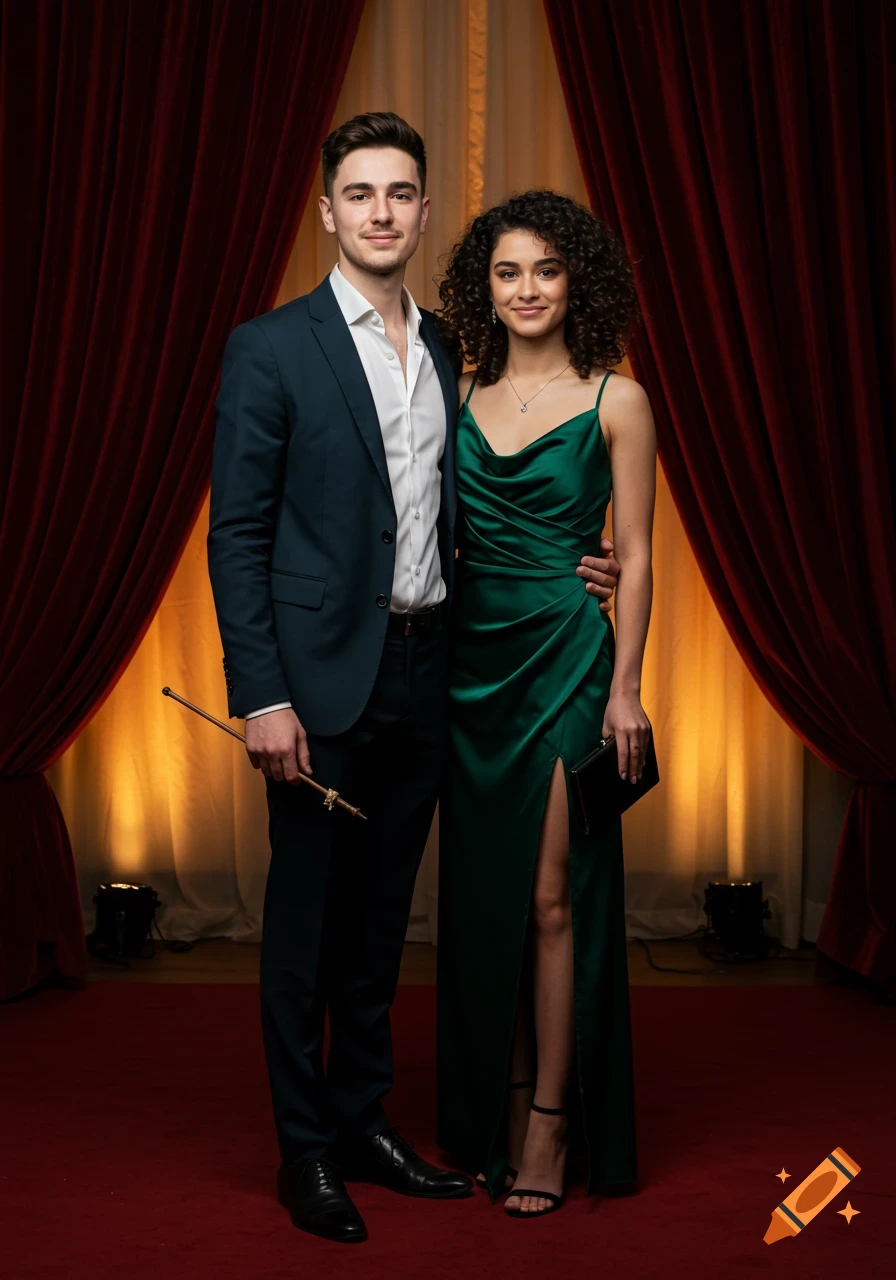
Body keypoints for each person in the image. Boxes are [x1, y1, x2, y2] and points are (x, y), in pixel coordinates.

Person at [207, 115, 621, 1244]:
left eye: (400, 193)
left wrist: (586, 559)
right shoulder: (271, 346)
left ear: (424, 211)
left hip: (433, 669)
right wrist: (262, 693)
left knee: (384, 920)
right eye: (359, 193)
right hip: (315, 683)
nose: (380, 211)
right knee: (304, 923)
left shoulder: (452, 348)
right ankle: (306, 1154)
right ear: (327, 211)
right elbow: (236, 532)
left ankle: (363, 1120)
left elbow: (483, 505)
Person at [434, 189, 656, 1218]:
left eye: (546, 270)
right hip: (470, 667)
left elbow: (641, 557)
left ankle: (552, 1122)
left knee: (550, 896)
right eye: (506, 271)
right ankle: (501, 1098)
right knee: (487, 901)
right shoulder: (456, 392)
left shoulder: (617, 396)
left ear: (578, 283)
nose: (526, 289)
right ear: (484, 287)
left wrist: (625, 690)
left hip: (568, 656)